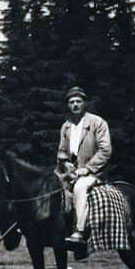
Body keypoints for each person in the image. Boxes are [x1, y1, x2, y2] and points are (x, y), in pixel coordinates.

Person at [56, 86, 112, 257]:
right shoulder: (66, 127)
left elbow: (105, 150)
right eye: (71, 102)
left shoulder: (97, 123)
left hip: (94, 173)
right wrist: (65, 164)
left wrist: (87, 169)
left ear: (85, 103)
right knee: (50, 186)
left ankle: (80, 233)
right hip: (71, 172)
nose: (75, 105)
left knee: (80, 187)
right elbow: (61, 151)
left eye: (78, 101)